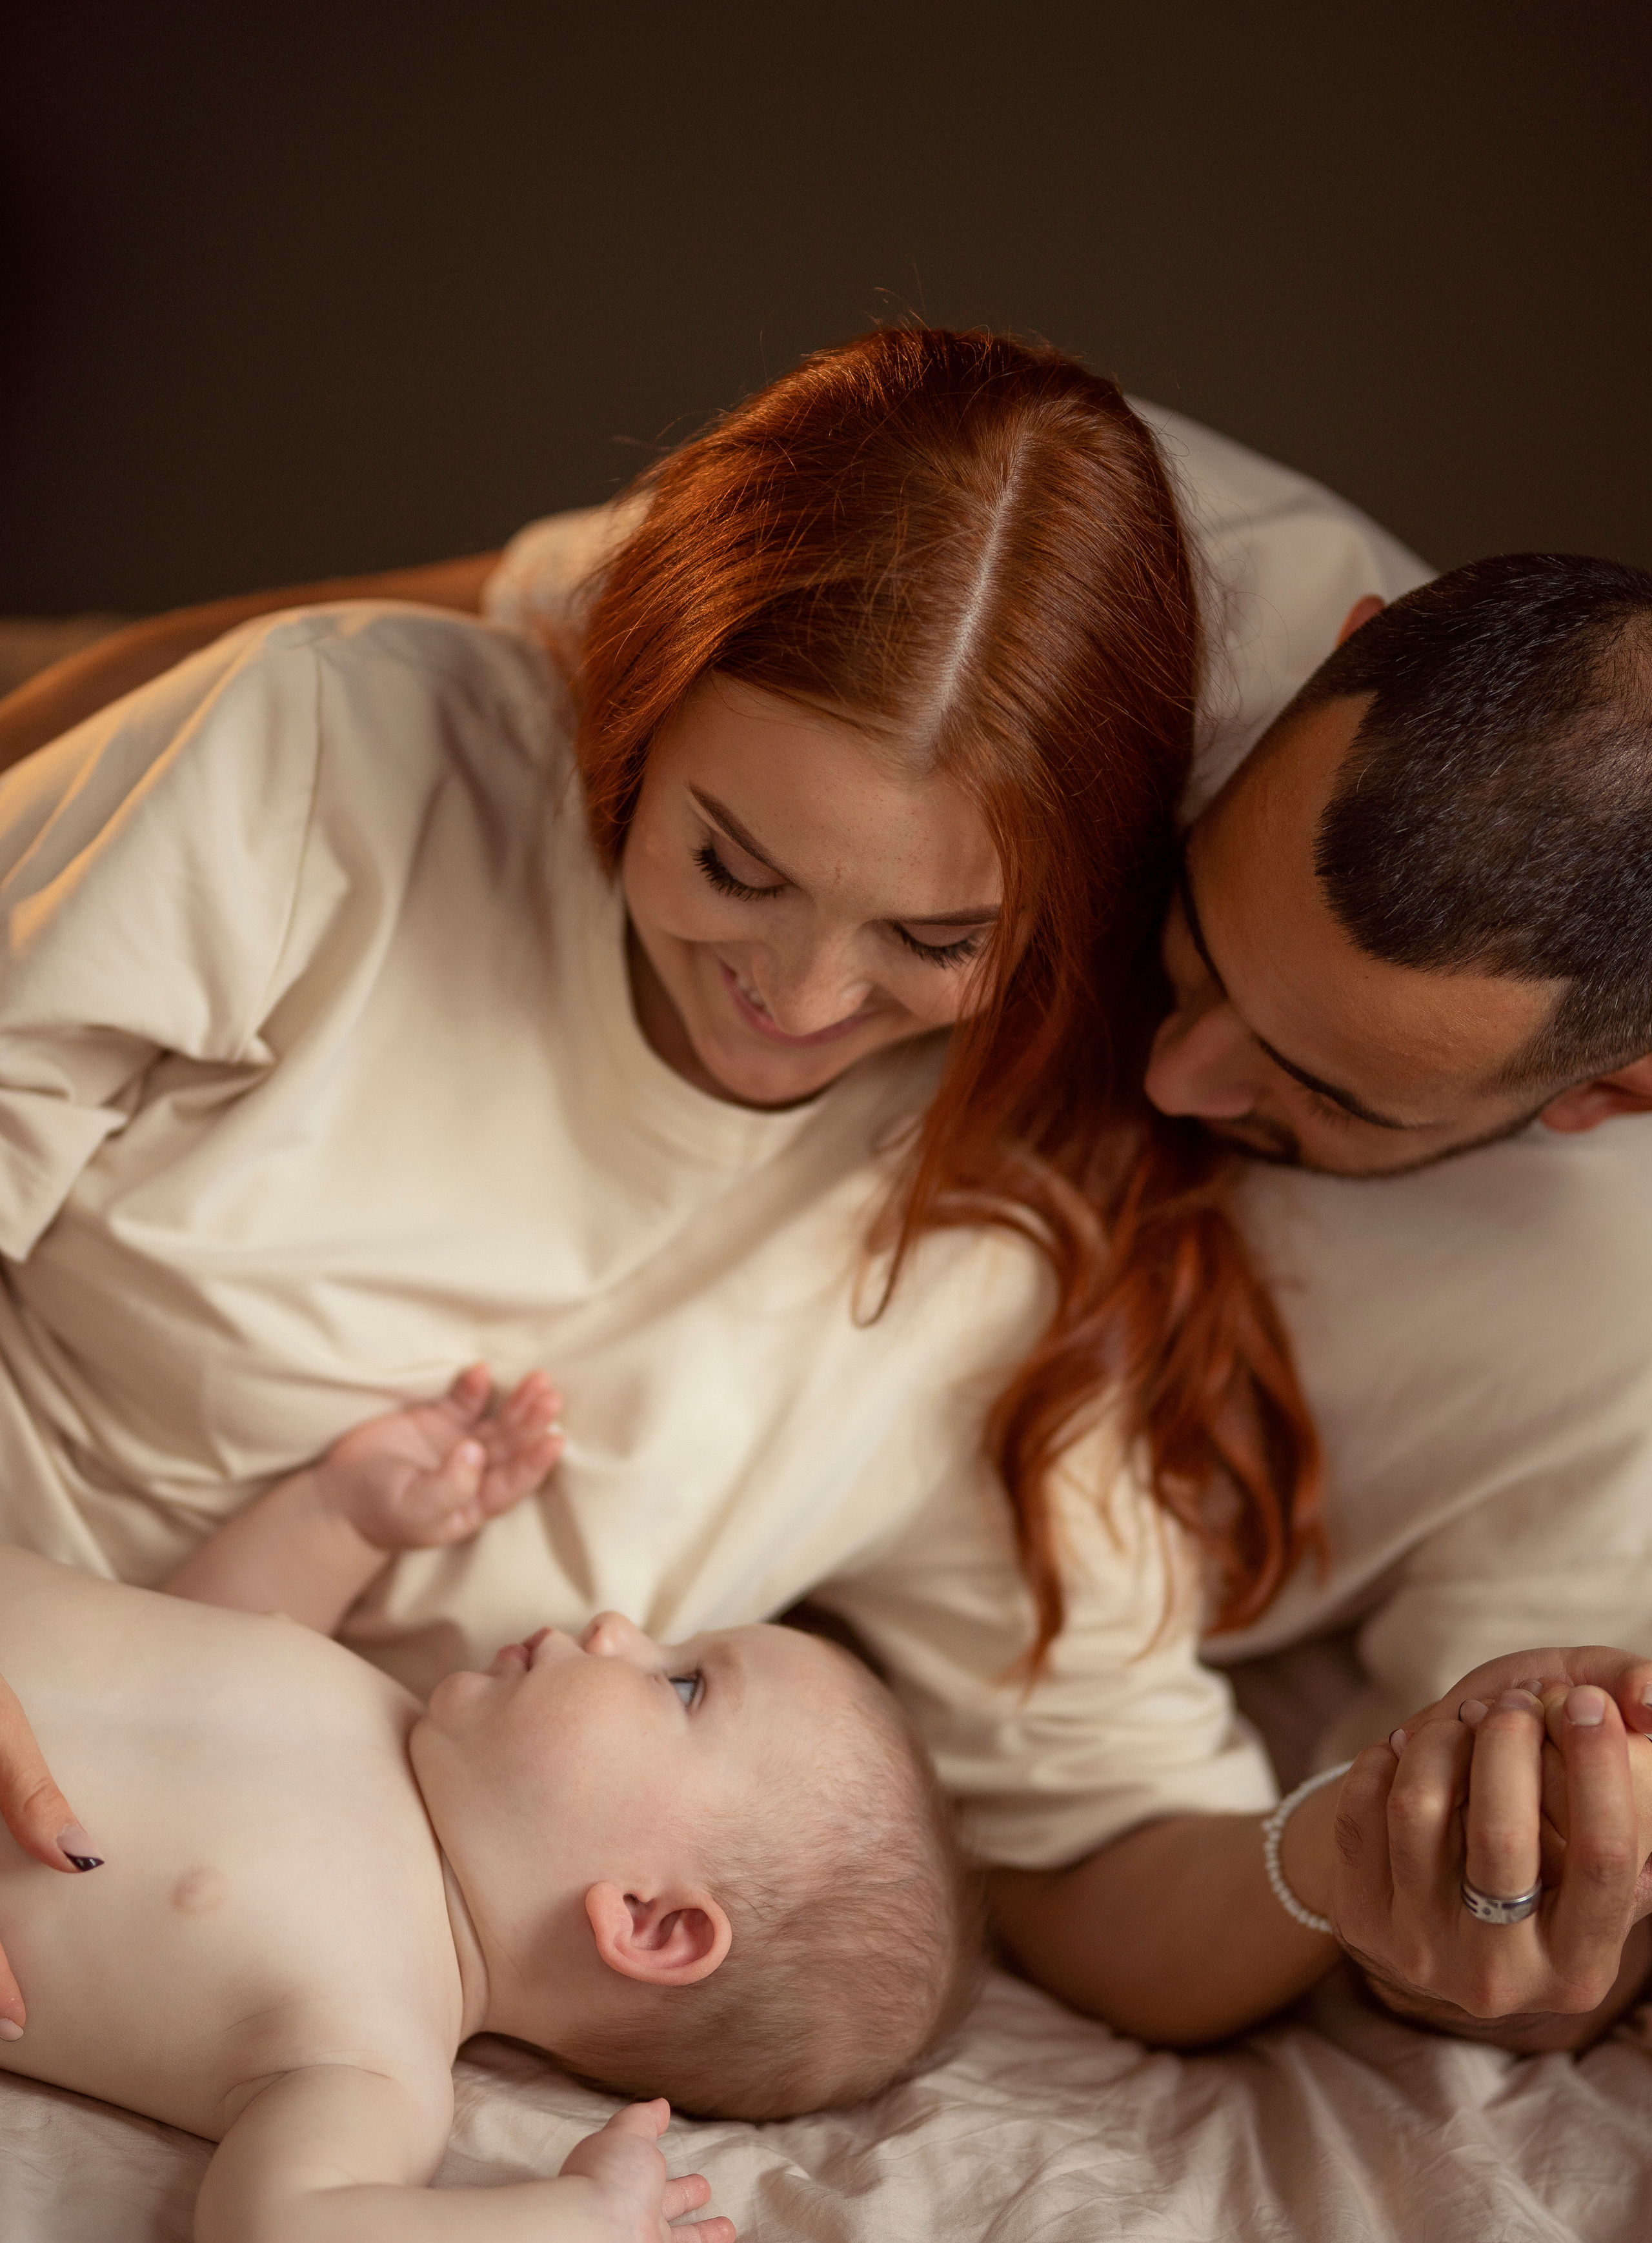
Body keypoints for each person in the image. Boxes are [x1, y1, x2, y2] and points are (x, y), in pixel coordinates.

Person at [0, 325, 1640, 2060]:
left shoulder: (1006, 1272)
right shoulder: (329, 754)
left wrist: (1352, 1857)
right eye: (729, 862)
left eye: (940, 940)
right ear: (636, 690)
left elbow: (1114, 1851)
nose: (792, 996)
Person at [0, 1369, 978, 2243]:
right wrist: (339, 1519)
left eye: (680, 1683)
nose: (615, 1628)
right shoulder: (376, 1705)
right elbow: (192, 1635)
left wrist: (589, 2238)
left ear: (648, 1922)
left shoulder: (368, 2049)